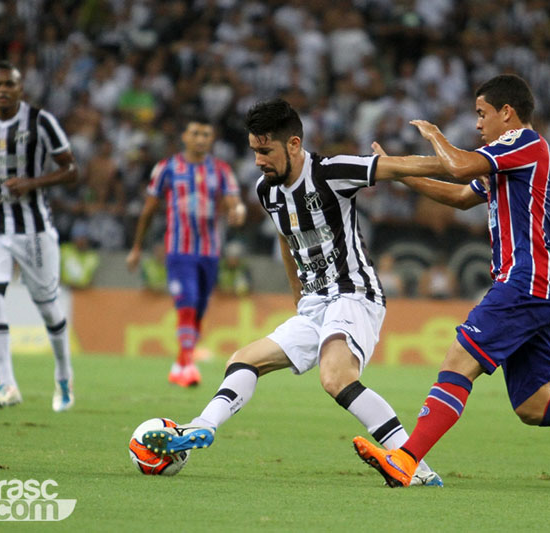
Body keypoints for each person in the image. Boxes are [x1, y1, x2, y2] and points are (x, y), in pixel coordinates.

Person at [352, 74, 550, 488]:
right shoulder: (509, 156)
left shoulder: (524, 142)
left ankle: (406, 458)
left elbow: (458, 165)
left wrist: (434, 135)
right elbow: (460, 196)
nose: (477, 124)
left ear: (507, 113)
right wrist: (400, 175)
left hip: (525, 280)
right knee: (533, 406)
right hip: (540, 284)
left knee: (458, 361)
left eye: (481, 113)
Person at [141, 98, 452, 485]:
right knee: (243, 359)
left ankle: (415, 466)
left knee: (335, 377)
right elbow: (286, 240)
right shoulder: (267, 190)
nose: (258, 161)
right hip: (315, 303)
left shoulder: (331, 172)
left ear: (293, 144)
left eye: (265, 151)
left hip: (354, 293)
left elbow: (402, 166)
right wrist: (299, 298)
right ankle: (202, 425)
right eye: (254, 151)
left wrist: (467, 164)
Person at [0, 61, 78, 411]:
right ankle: (7, 384)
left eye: (9, 84)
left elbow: (71, 169)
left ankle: (63, 374)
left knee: (48, 308)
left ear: (20, 88)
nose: (3, 90)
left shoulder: (41, 121)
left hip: (33, 228)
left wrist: (32, 183)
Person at [126, 115, 247, 387]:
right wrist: (137, 247)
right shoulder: (167, 168)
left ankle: (181, 363)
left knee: (199, 308)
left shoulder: (221, 170)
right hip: (179, 249)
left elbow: (234, 201)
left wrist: (238, 211)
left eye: (206, 135)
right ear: (184, 137)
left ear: (212, 139)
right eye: (195, 134)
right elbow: (149, 209)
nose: (201, 139)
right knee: (188, 301)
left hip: (210, 251)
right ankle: (187, 365)